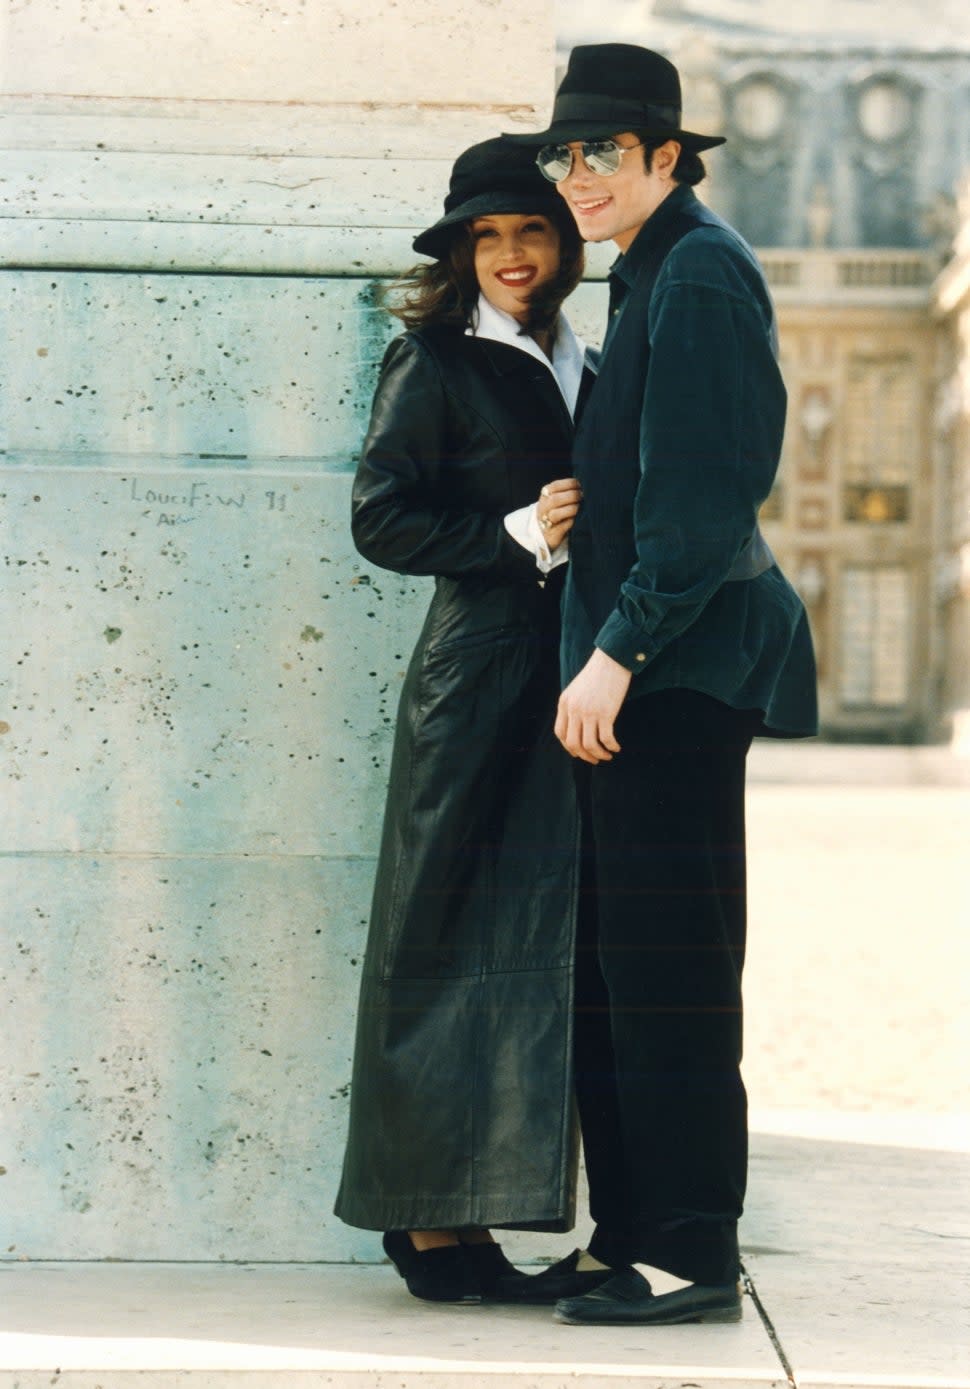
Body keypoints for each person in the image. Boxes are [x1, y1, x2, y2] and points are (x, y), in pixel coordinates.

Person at [499, 44, 819, 1325]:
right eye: (562, 154)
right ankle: (629, 1230)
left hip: (672, 675)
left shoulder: (699, 274)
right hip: (646, 667)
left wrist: (615, 656)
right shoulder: (651, 274)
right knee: (615, 969)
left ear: (667, 159)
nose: (577, 176)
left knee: (670, 968)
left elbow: (708, 495)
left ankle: (687, 1251)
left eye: (605, 153)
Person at [334, 137, 594, 1305]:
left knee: (529, 953)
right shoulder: (431, 360)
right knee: (438, 941)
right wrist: (511, 533)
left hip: (572, 684)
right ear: (457, 254)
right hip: (474, 681)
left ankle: (476, 1226)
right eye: (486, 237)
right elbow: (381, 521)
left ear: (564, 242)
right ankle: (425, 1232)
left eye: (530, 231)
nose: (510, 256)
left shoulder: (591, 354)